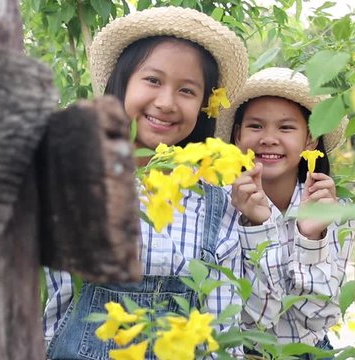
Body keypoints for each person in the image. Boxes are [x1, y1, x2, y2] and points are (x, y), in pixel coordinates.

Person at [42, 7, 249, 360]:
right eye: (152, 80)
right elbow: (55, 303)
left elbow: (221, 330)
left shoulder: (219, 202)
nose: (166, 102)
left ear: (203, 106)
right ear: (120, 85)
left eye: (187, 90)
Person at [216, 67, 353, 359]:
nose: (268, 138)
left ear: (310, 141)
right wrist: (257, 224)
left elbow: (320, 315)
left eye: (286, 128)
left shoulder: (336, 214)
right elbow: (257, 318)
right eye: (255, 126)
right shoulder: (221, 205)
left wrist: (312, 236)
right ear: (237, 136)